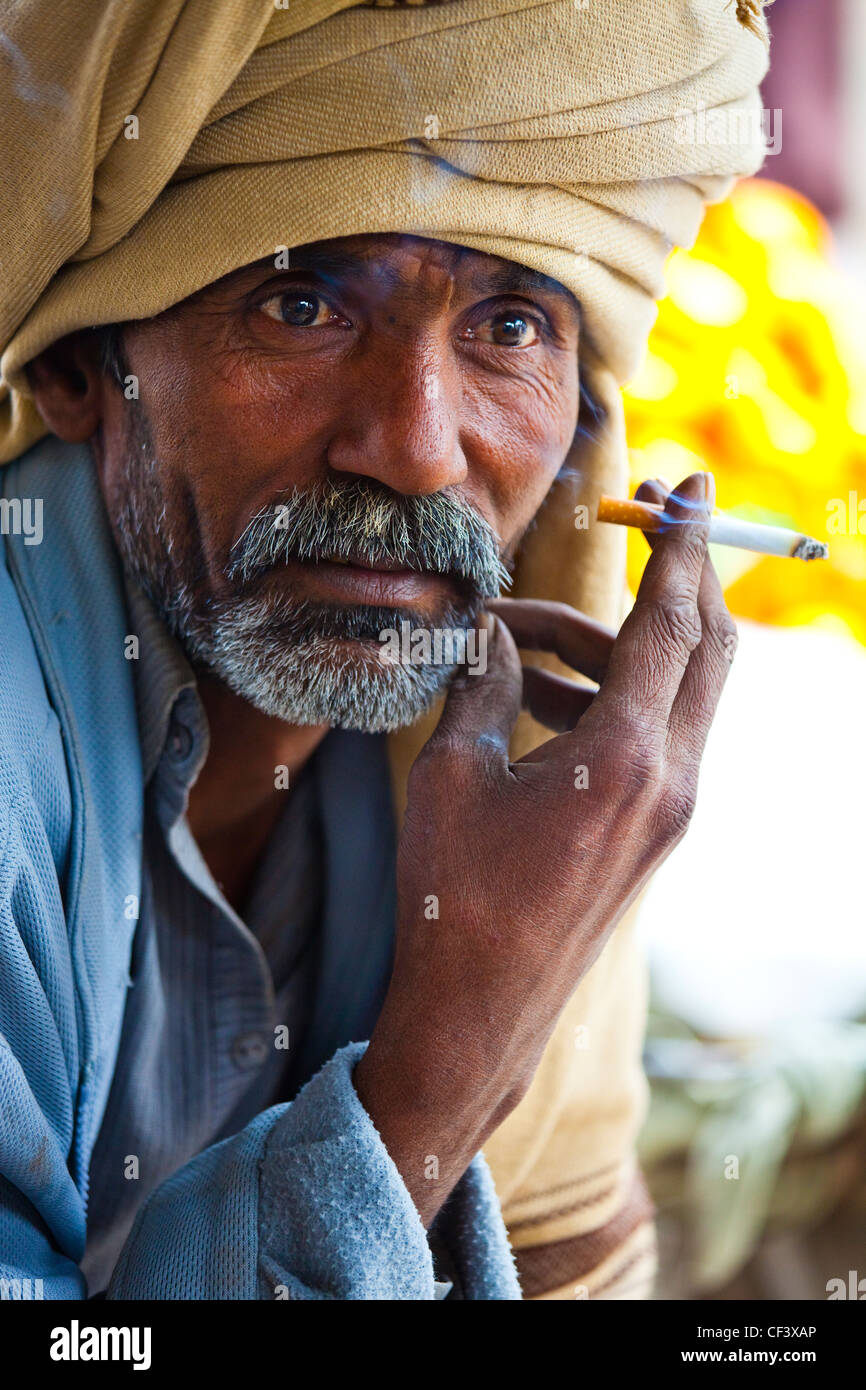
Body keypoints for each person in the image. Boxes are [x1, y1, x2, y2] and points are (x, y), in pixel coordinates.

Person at [0, 0, 770, 1299]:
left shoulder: (481, 770)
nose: (414, 447)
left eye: (510, 328)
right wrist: (442, 1065)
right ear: (81, 369)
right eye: (300, 305)